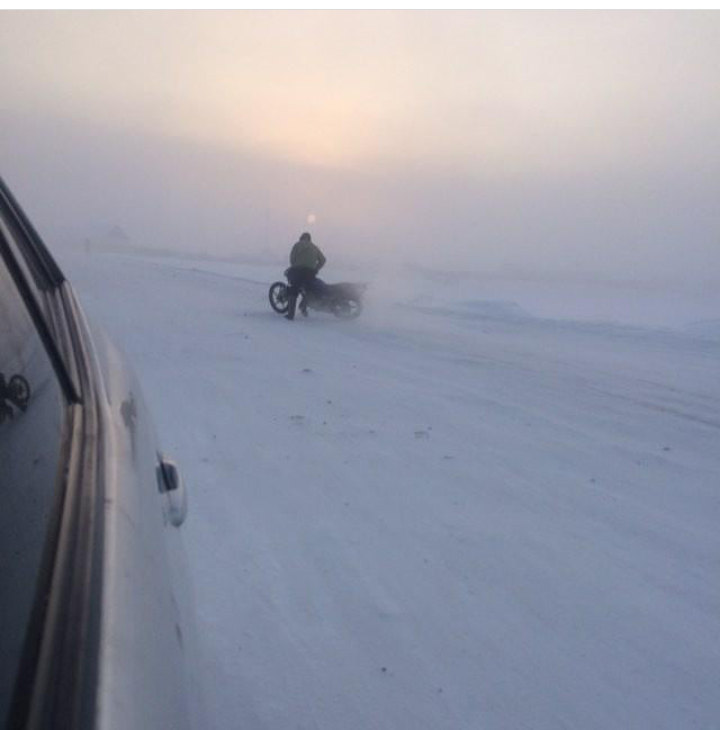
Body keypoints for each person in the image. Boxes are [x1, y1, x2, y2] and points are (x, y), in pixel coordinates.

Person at [285, 232, 326, 320]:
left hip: (297, 271)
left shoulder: (297, 245)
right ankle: (303, 307)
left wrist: (294, 267)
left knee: (293, 290)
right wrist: (316, 268)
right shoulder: (315, 247)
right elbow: (323, 260)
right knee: (308, 290)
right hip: (310, 273)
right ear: (309, 239)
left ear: (301, 238)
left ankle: (290, 315)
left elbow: (292, 259)